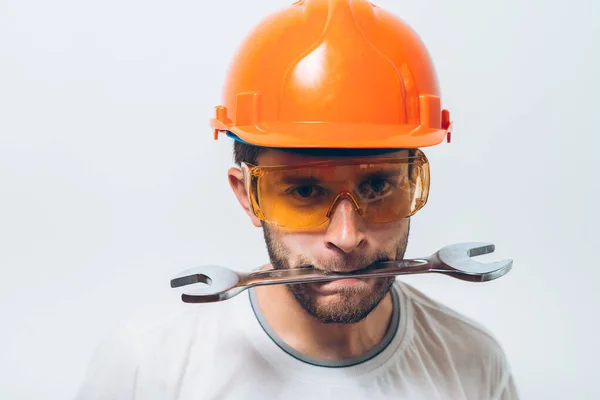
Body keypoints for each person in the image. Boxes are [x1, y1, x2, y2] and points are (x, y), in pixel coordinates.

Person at [75, 0, 519, 398]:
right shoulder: (148, 366)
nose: (347, 238)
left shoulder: (473, 364)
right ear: (246, 196)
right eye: (305, 191)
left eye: (378, 187)